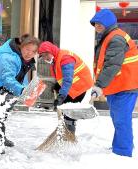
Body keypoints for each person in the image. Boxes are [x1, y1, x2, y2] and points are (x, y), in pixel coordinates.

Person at [0, 34, 40, 154]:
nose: (30, 53)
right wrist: (22, 91)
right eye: (27, 49)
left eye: (33, 51)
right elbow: (8, 79)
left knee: (3, 112)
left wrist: (25, 89)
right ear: (21, 46)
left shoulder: (19, 57)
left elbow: (18, 78)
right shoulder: (8, 57)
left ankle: (1, 137)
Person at [90, 9, 138, 157]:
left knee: (121, 119)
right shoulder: (110, 36)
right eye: (95, 24)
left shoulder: (116, 38)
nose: (97, 26)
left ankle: (123, 152)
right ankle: (122, 146)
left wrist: (99, 85)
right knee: (119, 118)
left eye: (100, 23)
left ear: (109, 22)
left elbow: (112, 65)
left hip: (125, 86)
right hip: (119, 86)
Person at [38, 41, 94, 133]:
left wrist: (61, 96)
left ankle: (70, 135)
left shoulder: (65, 58)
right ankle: (66, 133)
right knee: (65, 110)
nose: (45, 58)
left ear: (51, 51)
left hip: (79, 86)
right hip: (72, 85)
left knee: (69, 111)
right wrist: (57, 85)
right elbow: (61, 76)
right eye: (43, 56)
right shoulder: (56, 58)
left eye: (45, 55)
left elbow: (68, 79)